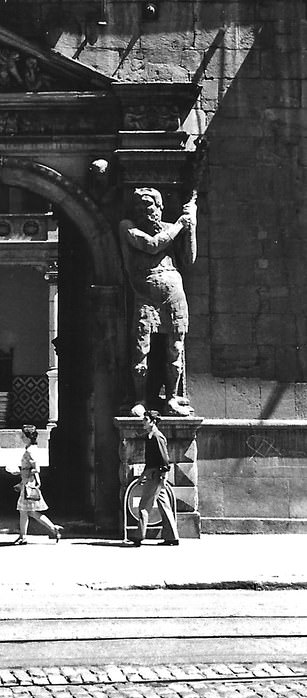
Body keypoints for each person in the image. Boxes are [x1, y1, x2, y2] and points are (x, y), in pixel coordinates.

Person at [119, 187, 196, 416]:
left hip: (173, 291)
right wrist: (181, 225)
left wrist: (192, 228)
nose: (144, 210)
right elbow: (151, 245)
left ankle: (172, 397)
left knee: (175, 348)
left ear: (160, 207)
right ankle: (140, 399)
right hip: (145, 293)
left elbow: (188, 259)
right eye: (139, 206)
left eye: (149, 205)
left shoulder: (171, 229)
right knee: (140, 348)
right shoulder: (128, 227)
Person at [6, 424, 62, 545]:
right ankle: (27, 535)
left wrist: (19, 472)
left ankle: (26, 535)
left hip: (28, 484)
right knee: (27, 511)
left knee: (26, 511)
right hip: (27, 483)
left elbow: (36, 468)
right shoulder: (32, 449)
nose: (21, 437)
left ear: (27, 437)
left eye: (22, 435)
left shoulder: (30, 451)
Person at [131, 410, 179, 547]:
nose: (143, 422)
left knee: (144, 506)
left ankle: (139, 536)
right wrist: (142, 476)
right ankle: (172, 537)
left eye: (145, 419)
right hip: (154, 474)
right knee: (164, 506)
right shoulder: (150, 437)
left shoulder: (157, 437)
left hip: (156, 476)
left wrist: (164, 476)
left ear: (153, 421)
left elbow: (164, 459)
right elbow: (150, 461)